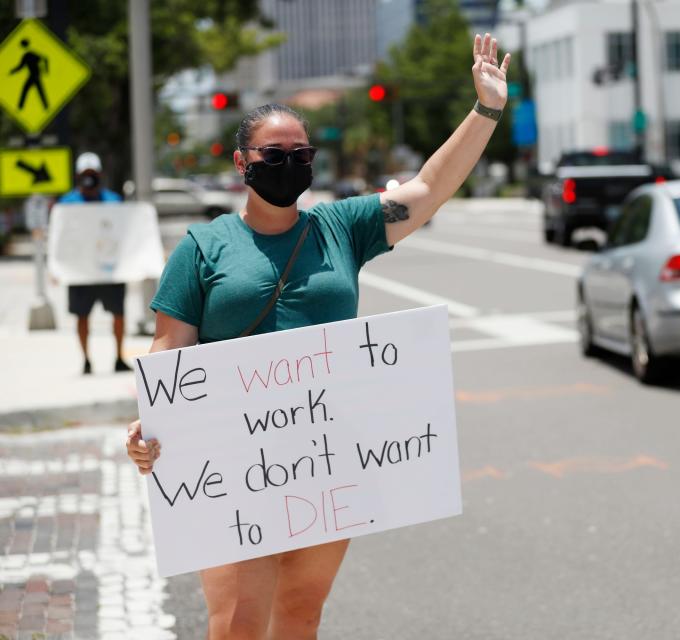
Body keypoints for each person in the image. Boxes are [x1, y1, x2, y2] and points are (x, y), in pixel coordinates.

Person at [126, 34, 509, 639]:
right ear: (242, 163)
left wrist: (485, 109)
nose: (288, 164)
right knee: (236, 626)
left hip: (325, 462)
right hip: (232, 465)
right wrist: (152, 425)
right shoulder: (202, 248)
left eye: (299, 153)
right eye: (272, 154)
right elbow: (169, 349)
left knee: (301, 616)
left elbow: (430, 188)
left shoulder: (344, 227)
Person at [59, 152, 133, 375]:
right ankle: (86, 360)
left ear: (99, 175)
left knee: (118, 313)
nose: (89, 178)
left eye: (92, 174)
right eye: (85, 174)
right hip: (81, 272)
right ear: (78, 176)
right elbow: (61, 239)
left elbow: (124, 233)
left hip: (109, 271)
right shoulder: (67, 204)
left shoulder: (113, 201)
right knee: (82, 316)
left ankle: (119, 357)